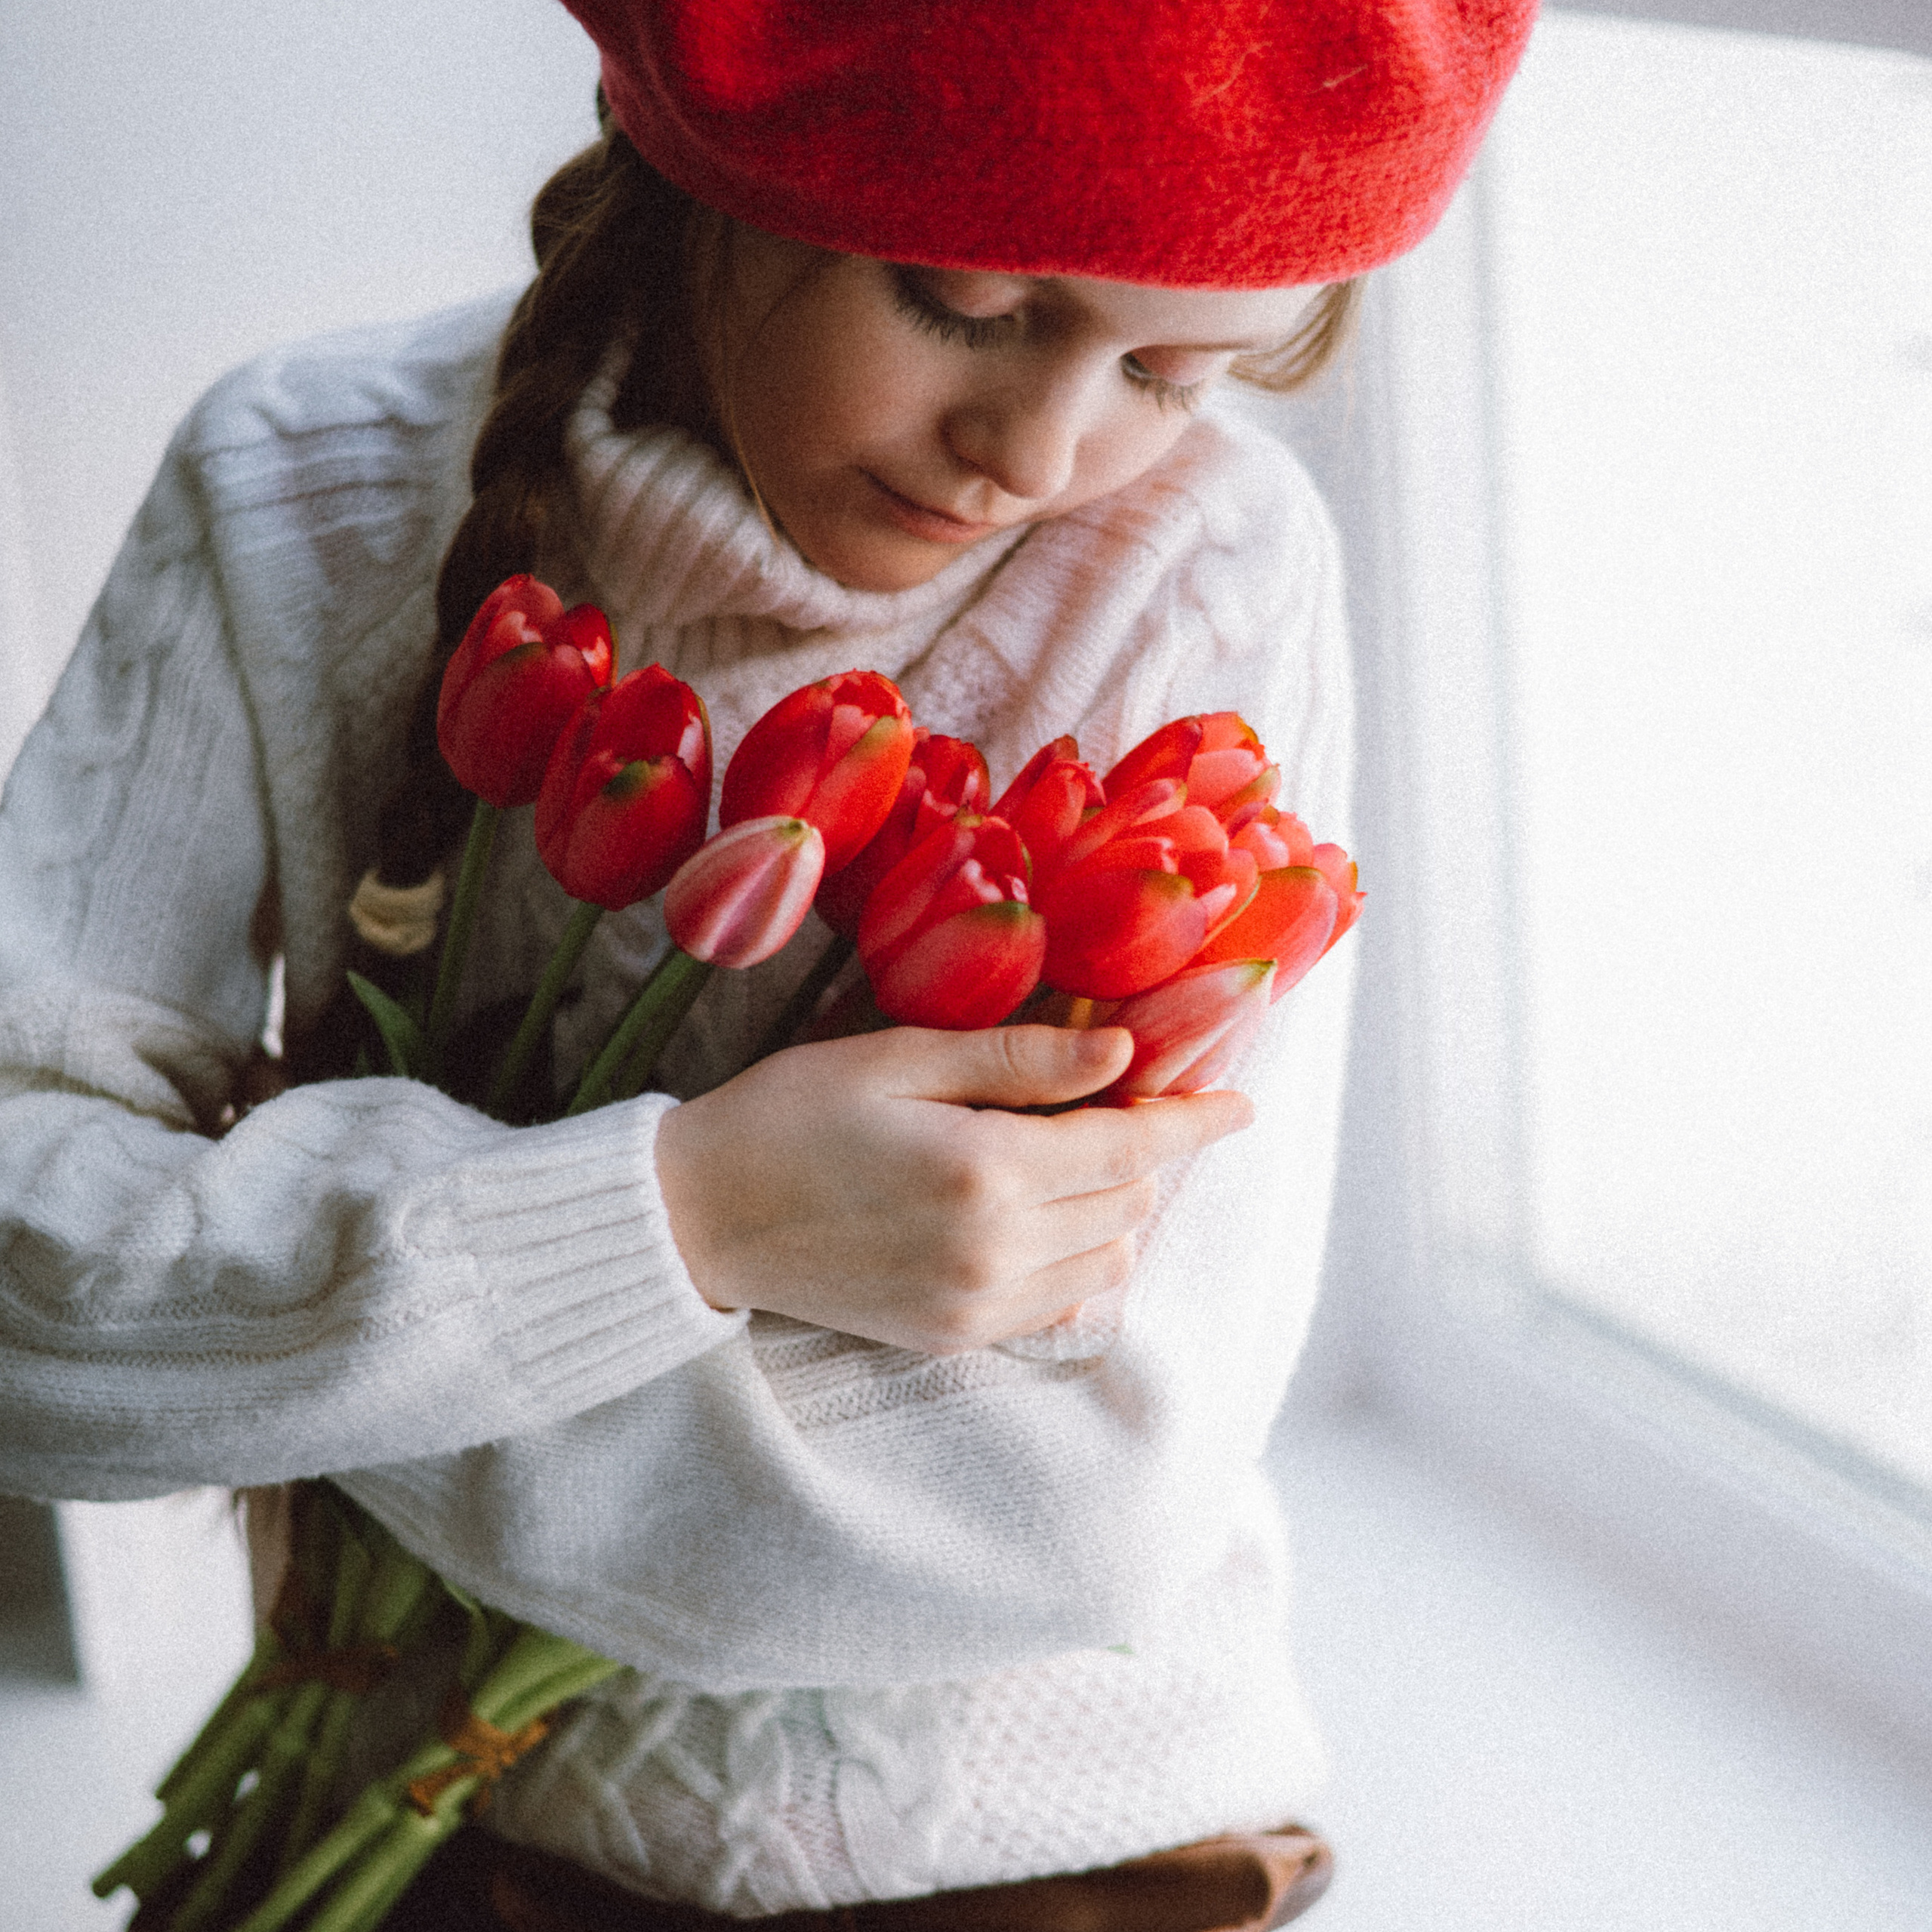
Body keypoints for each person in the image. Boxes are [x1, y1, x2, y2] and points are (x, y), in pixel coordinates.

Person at [0, 2, 1535, 1927]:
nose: (1035, 453)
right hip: (405, 1830)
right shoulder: (299, 485)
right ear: (705, 167)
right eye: (966, 306)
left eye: (1173, 369)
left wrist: (273, 1334)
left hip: (1041, 1861)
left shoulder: (1195, 569)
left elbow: (1066, 1514)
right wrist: (691, 1212)